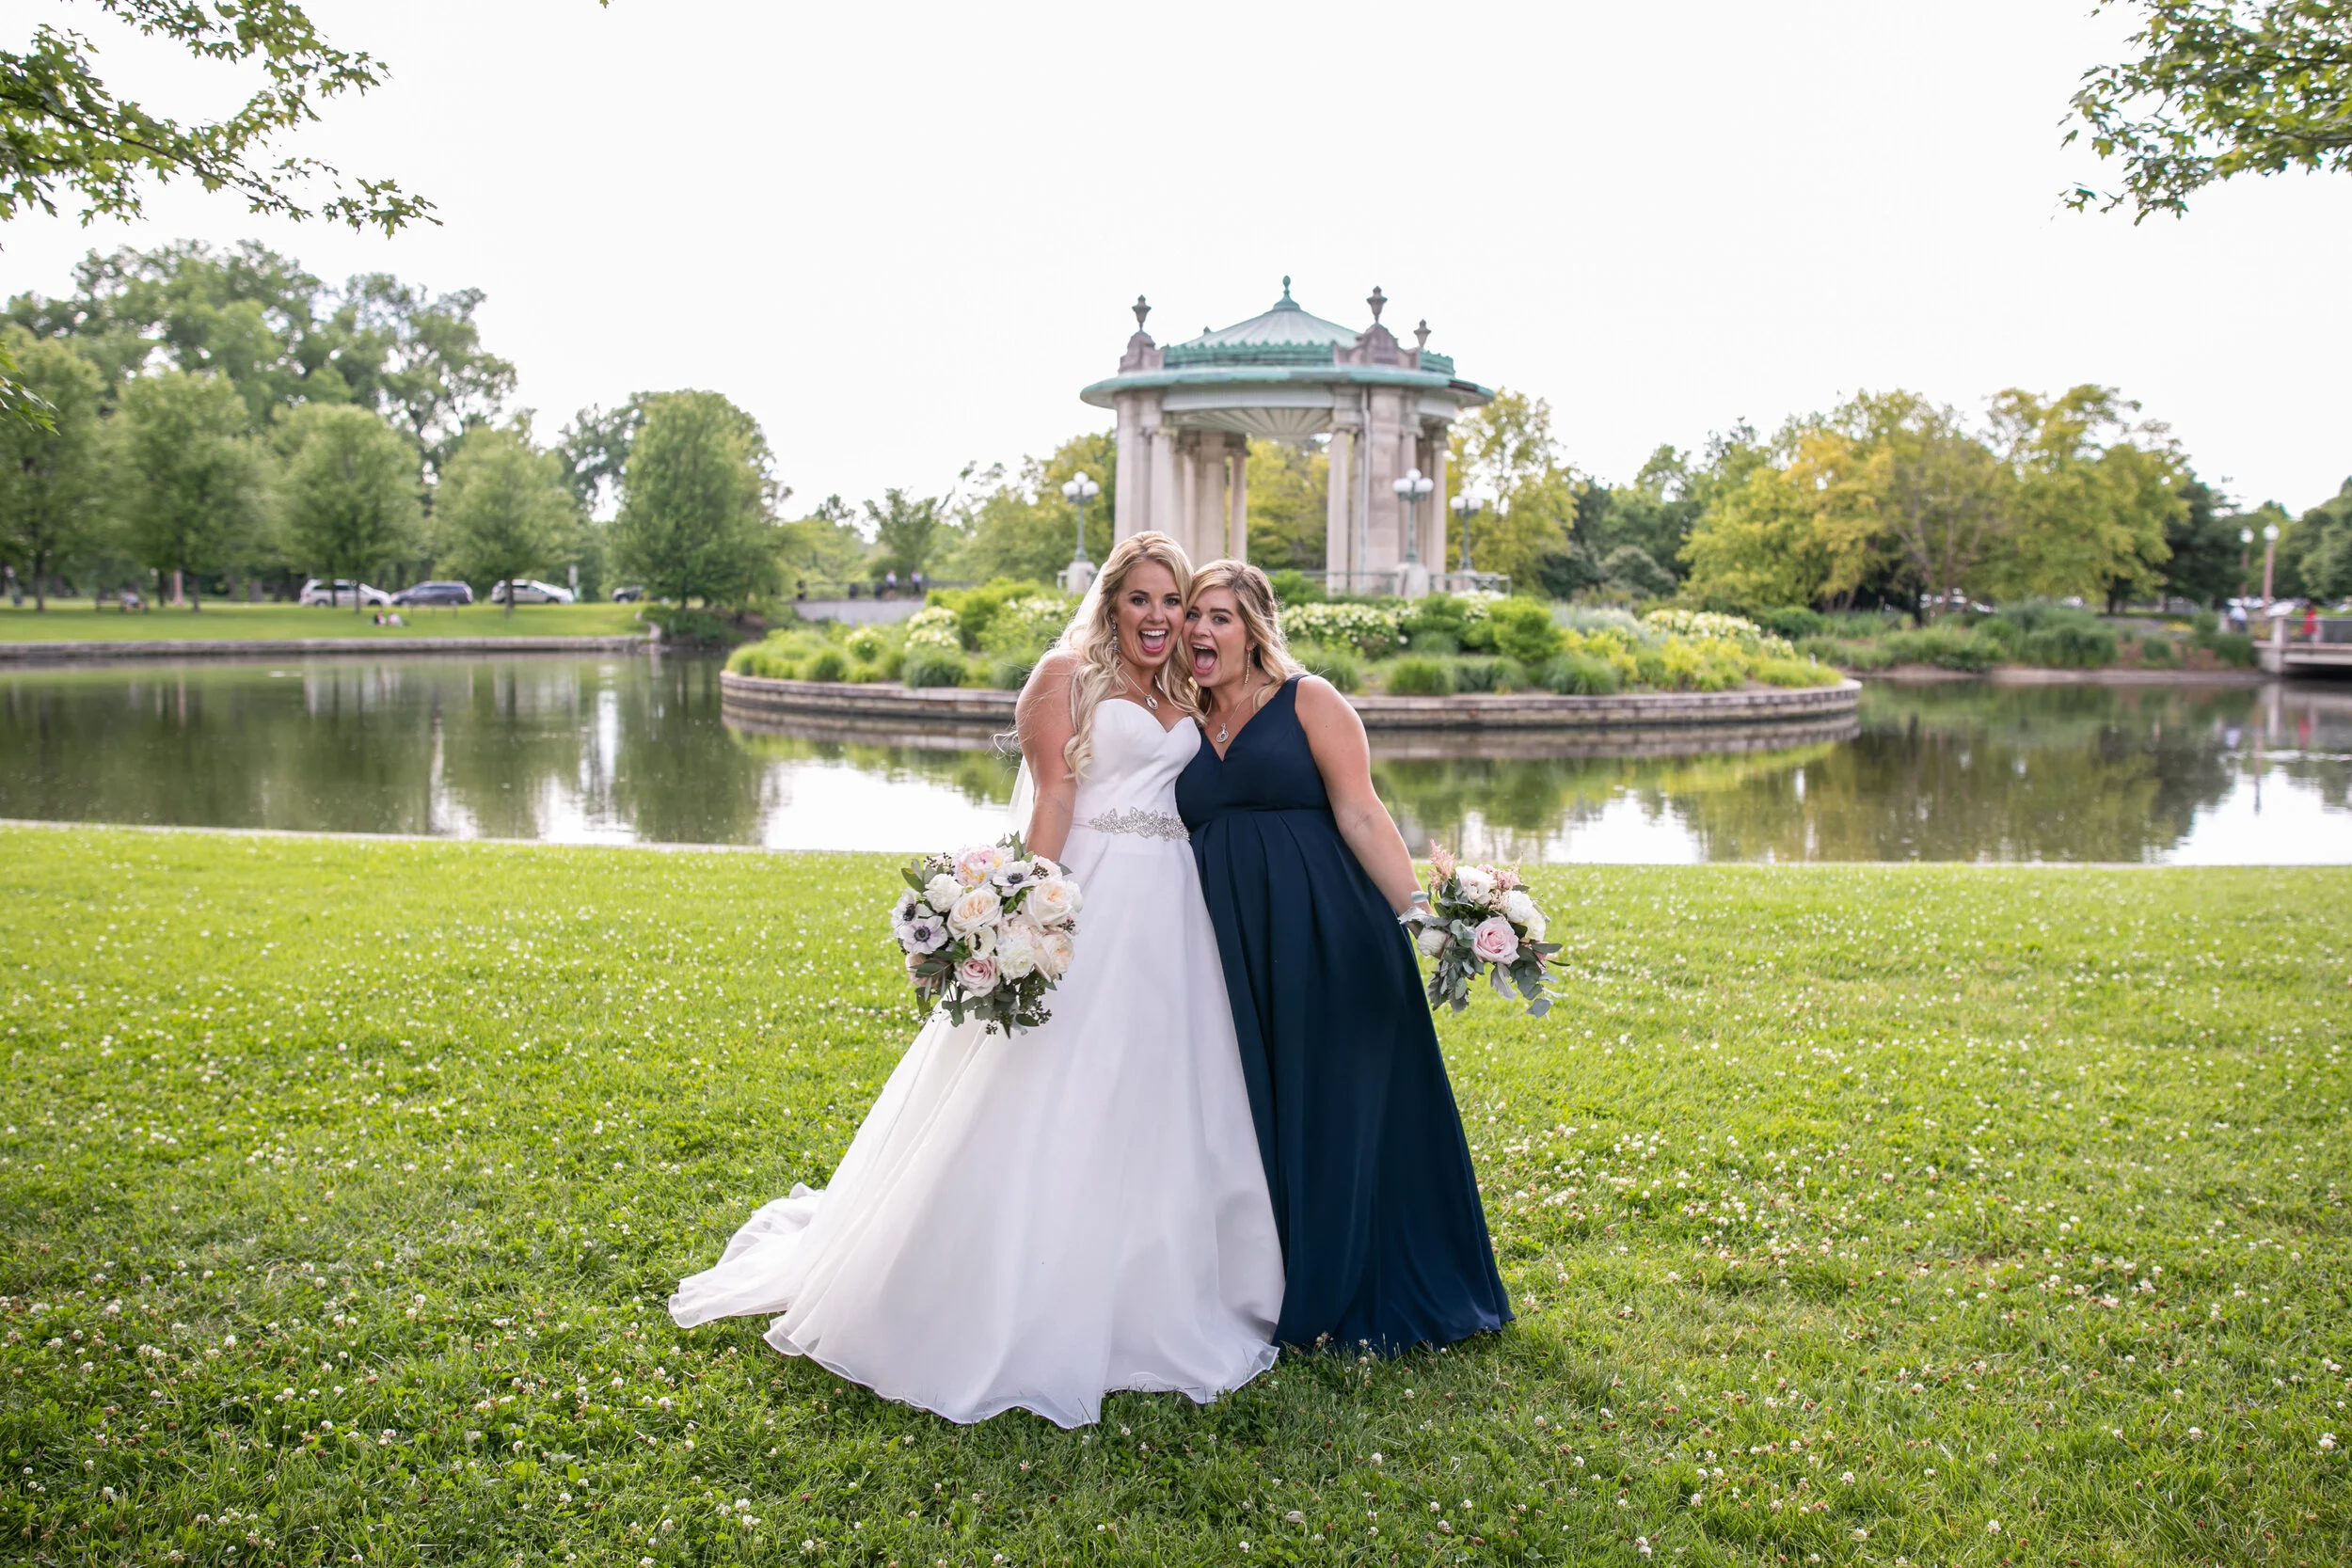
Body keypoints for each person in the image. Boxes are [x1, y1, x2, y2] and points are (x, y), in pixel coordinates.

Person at [671, 532, 1279, 1427]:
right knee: (1052, 1083)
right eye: (1142, 599)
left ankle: (1159, 1284)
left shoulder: (1181, 688)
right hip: (1092, 897)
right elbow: (1054, 800)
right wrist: (1029, 912)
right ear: (1111, 601)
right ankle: (1008, 1289)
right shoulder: (1064, 675)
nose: (1160, 618)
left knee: (1162, 1087)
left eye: (1174, 602)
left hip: (1174, 910)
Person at [1175, 560, 1510, 1354]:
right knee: (1260, 1109)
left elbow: (1362, 813)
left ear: (1253, 627)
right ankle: (1272, 1277)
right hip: (1229, 946)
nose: (1198, 630)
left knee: (1339, 1107)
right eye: (1192, 615)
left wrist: (1421, 915)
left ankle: (1354, 1285)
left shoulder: (1309, 700)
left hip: (1327, 931)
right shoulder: (1178, 717)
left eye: (1218, 616)